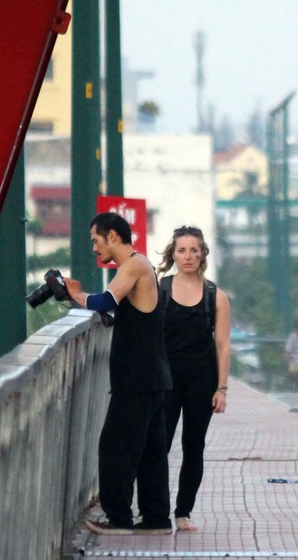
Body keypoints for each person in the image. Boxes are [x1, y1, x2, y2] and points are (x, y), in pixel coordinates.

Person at [65, 212, 173, 535]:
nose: (95, 249)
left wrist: (75, 294)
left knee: (116, 447)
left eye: (96, 241)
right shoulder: (139, 266)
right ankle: (156, 519)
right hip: (151, 377)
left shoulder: (134, 266)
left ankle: (119, 519)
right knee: (151, 452)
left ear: (113, 236)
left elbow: (106, 300)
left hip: (136, 380)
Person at [156, 225, 231, 531]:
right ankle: (155, 510)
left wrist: (222, 388)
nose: (187, 256)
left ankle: (182, 511)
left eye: (194, 250)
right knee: (158, 445)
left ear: (203, 254)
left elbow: (223, 344)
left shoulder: (216, 295)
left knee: (193, 445)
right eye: (182, 250)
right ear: (173, 254)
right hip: (166, 379)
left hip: (202, 379)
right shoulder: (160, 288)